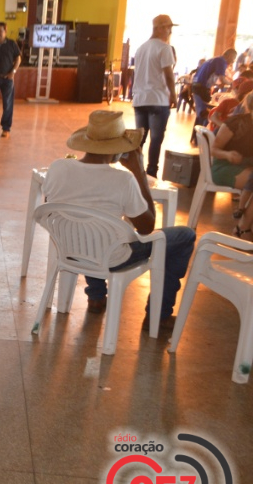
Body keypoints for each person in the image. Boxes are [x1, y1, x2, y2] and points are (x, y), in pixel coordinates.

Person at [42, 111, 195, 326]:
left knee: (91, 228)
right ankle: (158, 315)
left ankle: (96, 295)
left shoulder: (58, 167)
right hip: (111, 258)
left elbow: (51, 205)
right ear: (119, 148)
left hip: (69, 249)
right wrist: (139, 172)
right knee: (185, 235)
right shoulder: (123, 180)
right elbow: (146, 228)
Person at [131, 15, 178, 177]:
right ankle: (151, 172)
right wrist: (173, 94)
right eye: (166, 27)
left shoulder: (141, 48)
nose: (169, 31)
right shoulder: (164, 48)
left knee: (140, 139)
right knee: (156, 139)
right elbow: (169, 74)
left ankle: (136, 169)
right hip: (158, 99)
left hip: (140, 99)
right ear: (158, 28)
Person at [210, 92, 253, 241]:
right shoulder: (235, 123)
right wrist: (228, 155)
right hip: (224, 167)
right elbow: (214, 149)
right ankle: (242, 228)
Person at [192, 48, 237, 138]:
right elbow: (222, 78)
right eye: (233, 58)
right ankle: (204, 139)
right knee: (206, 114)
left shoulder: (215, 59)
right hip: (201, 88)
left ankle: (197, 138)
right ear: (228, 55)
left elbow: (217, 79)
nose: (233, 61)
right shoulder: (221, 61)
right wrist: (233, 84)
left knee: (202, 113)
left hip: (197, 86)